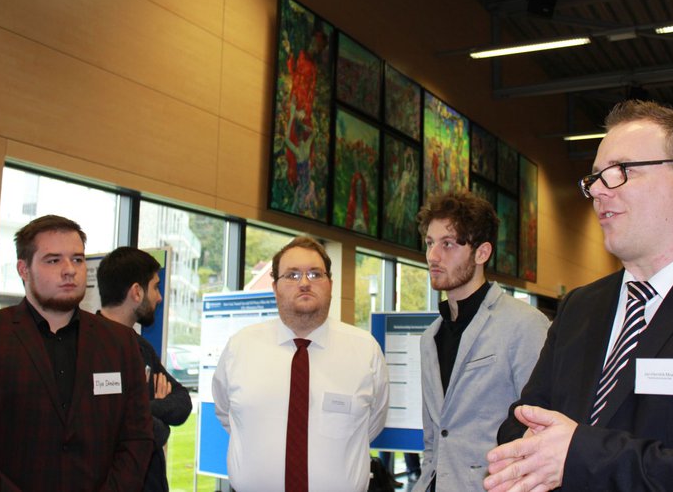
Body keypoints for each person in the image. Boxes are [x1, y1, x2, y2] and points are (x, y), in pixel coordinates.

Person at [485, 100, 673, 491]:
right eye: (594, 177)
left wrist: (578, 455)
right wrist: (532, 448)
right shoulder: (581, 306)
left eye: (620, 172)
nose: (597, 190)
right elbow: (523, 418)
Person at [0, 215, 153, 492]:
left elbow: (137, 438)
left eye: (77, 259)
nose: (69, 270)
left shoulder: (120, 343)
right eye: (53, 260)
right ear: (23, 269)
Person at [211, 236, 390, 492]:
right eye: (292, 275)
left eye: (315, 274)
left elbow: (371, 424)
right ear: (275, 287)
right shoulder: (241, 347)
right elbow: (227, 414)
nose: (305, 283)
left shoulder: (365, 350)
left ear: (331, 284)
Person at [413, 191, 549, 492]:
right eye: (430, 243)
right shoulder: (430, 337)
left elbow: (542, 430)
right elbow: (434, 437)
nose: (433, 256)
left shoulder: (524, 325)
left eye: (448, 244)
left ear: (482, 253)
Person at [97, 247, 193, 492]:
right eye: (155, 287)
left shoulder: (141, 347)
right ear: (137, 292)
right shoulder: (89, 348)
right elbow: (153, 431)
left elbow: (182, 403)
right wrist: (152, 414)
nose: (159, 297)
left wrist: (141, 409)